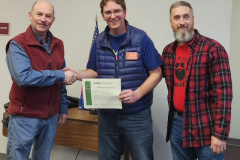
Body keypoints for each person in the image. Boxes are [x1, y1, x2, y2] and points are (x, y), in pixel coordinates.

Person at [65, 0, 163, 159]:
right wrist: (77, 74)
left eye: (117, 11)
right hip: (107, 116)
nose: (113, 16)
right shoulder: (99, 41)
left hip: (137, 115)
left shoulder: (140, 38)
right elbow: (94, 71)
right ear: (103, 16)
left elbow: (157, 73)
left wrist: (137, 94)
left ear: (125, 12)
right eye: (108, 12)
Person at [161, 1, 233, 160]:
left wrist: (220, 133)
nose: (182, 22)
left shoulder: (213, 49)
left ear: (193, 20)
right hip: (177, 124)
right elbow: (152, 72)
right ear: (171, 23)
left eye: (186, 17)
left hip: (206, 127)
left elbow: (224, 95)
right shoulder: (168, 52)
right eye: (177, 18)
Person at [5, 1, 76, 160]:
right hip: (25, 117)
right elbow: (24, 78)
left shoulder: (58, 44)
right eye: (39, 14)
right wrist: (60, 75)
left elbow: (61, 79)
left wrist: (63, 107)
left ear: (53, 20)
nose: (43, 19)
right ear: (30, 16)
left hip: (50, 117)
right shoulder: (17, 44)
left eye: (48, 16)